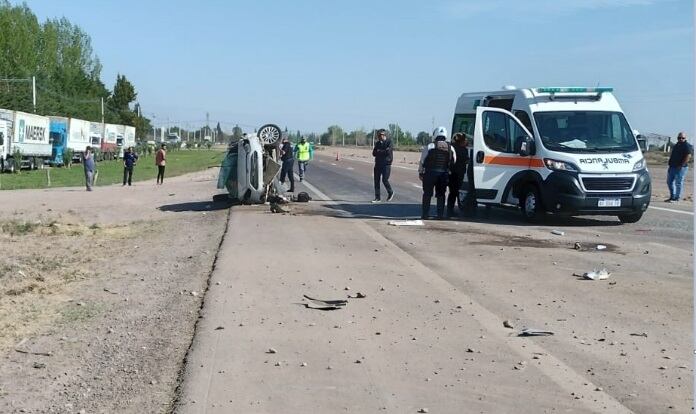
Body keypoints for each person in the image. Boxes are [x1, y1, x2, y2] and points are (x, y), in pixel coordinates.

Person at [419, 126, 456, 219]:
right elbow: (454, 160)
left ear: (435, 134)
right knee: (441, 195)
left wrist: (420, 172)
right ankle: (440, 215)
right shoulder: (450, 147)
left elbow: (422, 161)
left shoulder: (430, 146)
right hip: (443, 174)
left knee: (427, 194)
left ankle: (425, 214)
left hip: (430, 174)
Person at [446, 133, 469, 217]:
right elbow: (466, 160)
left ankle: (449, 209)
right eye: (465, 140)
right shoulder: (464, 150)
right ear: (462, 141)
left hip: (450, 173)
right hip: (458, 174)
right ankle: (450, 211)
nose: (466, 141)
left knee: (452, 192)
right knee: (454, 193)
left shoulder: (451, 148)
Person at [666, 132, 692, 202]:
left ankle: (677, 198)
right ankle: (672, 196)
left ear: (685, 138)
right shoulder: (676, 145)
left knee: (678, 183)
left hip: (681, 168)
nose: (680, 139)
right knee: (669, 182)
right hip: (672, 167)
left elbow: (688, 156)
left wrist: (681, 165)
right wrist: (670, 164)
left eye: (682, 138)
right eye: (679, 138)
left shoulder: (686, 145)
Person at [371, 129, 394, 203]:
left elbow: (387, 152)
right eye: (378, 135)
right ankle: (377, 198)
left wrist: (379, 151)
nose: (379, 137)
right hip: (378, 163)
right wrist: (380, 152)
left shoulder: (389, 142)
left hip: (386, 164)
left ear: (384, 135)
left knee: (385, 180)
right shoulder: (377, 143)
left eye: (380, 135)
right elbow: (374, 153)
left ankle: (390, 192)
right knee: (376, 180)